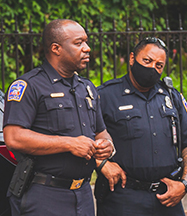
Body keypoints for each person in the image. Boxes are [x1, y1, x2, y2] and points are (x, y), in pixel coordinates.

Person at [3, 19, 115, 216]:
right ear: (56, 48)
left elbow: (101, 132)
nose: (87, 48)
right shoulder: (29, 86)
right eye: (78, 43)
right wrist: (70, 144)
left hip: (83, 194)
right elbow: (13, 138)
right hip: (44, 194)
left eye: (86, 42)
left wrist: (107, 145)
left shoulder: (87, 88)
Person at [96, 37, 187, 216]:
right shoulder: (106, 96)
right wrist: (102, 163)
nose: (153, 68)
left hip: (167, 197)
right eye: (147, 61)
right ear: (132, 59)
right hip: (123, 198)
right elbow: (84, 136)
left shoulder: (171, 97)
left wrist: (185, 184)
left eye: (159, 65)